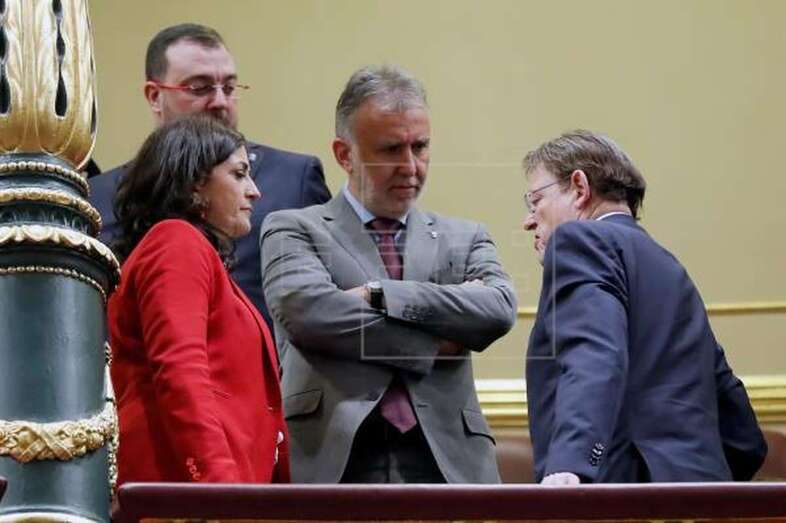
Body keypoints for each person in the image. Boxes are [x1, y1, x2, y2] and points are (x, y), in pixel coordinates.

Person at [260, 65, 517, 484]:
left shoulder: (465, 236)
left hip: (448, 461)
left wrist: (381, 294)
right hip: (334, 455)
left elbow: (498, 310)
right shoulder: (293, 227)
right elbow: (311, 314)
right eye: (391, 149)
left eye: (421, 146)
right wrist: (436, 341)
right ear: (345, 154)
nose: (411, 166)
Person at [523, 129, 767, 484]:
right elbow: (740, 429)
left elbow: (594, 352)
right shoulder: (668, 265)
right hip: (702, 492)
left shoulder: (578, 241)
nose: (529, 220)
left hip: (627, 495)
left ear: (579, 188)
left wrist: (570, 467)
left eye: (535, 202)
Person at [90, 23, 330, 326]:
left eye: (229, 87)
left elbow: (323, 300)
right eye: (199, 87)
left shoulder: (293, 179)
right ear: (154, 95)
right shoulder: (96, 196)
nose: (219, 101)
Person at [108, 115, 288, 485]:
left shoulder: (192, 252)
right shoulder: (175, 241)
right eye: (239, 174)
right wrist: (217, 488)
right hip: (185, 490)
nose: (254, 191)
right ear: (193, 186)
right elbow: (180, 370)